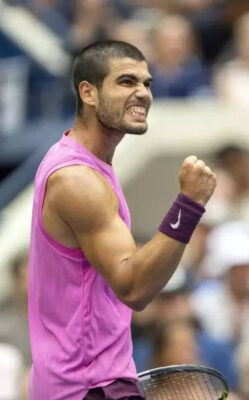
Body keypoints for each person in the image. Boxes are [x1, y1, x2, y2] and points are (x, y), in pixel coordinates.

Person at [28, 40, 217, 399]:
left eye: (147, 83)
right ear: (88, 93)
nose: (143, 93)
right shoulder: (77, 179)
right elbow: (134, 287)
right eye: (127, 81)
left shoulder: (87, 167)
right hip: (89, 386)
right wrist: (190, 204)